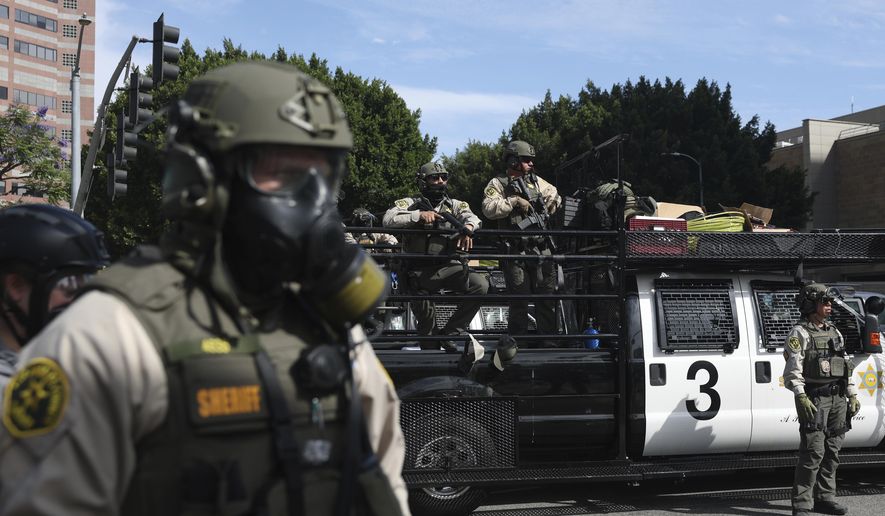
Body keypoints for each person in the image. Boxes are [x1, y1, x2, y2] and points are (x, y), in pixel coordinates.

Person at [0, 61, 409, 516]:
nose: (311, 199)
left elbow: (385, 482)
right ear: (201, 176)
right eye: (280, 170)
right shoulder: (108, 335)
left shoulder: (332, 325)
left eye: (323, 174)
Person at [383, 161, 488, 351]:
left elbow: (473, 217)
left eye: (444, 177)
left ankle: (451, 333)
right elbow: (388, 219)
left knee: (480, 285)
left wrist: (469, 228)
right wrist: (418, 216)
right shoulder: (409, 203)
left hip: (448, 267)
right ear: (423, 182)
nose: (440, 181)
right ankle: (431, 360)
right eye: (434, 178)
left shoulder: (454, 205)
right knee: (428, 333)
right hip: (418, 273)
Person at [0, 204, 109, 380]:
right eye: (70, 288)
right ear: (16, 286)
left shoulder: (43, 362)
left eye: (90, 285)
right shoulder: (10, 391)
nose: (84, 304)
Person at [783, 283, 860, 516]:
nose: (829, 306)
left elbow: (845, 367)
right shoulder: (800, 333)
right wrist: (801, 396)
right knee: (813, 452)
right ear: (810, 304)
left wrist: (852, 394)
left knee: (832, 451)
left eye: (830, 302)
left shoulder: (833, 331)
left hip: (837, 398)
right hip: (814, 398)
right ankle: (802, 504)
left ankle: (825, 498)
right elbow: (792, 372)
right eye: (824, 302)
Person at [482, 140, 561, 348]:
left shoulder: (536, 181)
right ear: (513, 160)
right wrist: (514, 202)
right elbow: (488, 209)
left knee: (546, 297)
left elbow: (554, 194)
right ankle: (519, 343)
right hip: (515, 251)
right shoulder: (498, 183)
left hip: (541, 249)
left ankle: (549, 340)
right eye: (526, 160)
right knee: (519, 300)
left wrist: (551, 204)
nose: (530, 164)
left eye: (531, 161)